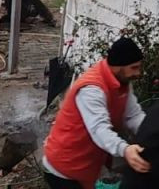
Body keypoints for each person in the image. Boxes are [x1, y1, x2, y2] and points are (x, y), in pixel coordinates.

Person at [42, 37, 151, 189]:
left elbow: (133, 115)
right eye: (134, 67)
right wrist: (125, 149)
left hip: (85, 166)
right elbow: (99, 129)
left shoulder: (122, 83)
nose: (138, 73)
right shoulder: (92, 89)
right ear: (118, 66)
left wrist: (153, 131)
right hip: (64, 167)